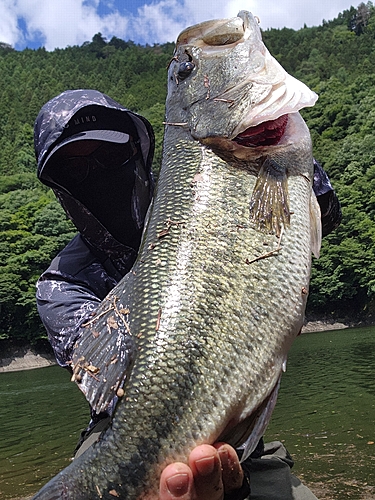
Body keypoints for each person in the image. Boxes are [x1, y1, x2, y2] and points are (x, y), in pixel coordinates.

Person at [34, 89, 341, 500]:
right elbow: (109, 384)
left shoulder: (206, 182)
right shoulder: (61, 286)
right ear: (59, 186)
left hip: (232, 410)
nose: (98, 174)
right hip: (131, 427)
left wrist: (265, 140)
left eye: (110, 156)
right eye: (75, 168)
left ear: (138, 151)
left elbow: (326, 210)